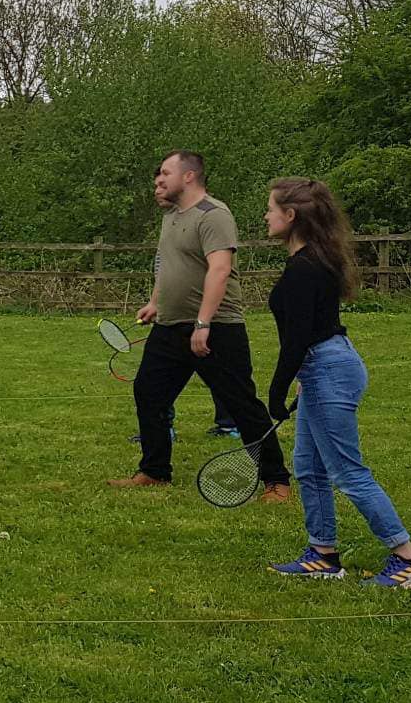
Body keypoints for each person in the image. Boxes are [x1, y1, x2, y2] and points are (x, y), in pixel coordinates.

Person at [263, 178, 411, 588]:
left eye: (271, 209)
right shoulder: (311, 260)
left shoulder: (304, 267)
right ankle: (322, 554)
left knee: (347, 472)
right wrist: (302, 379)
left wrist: (277, 389)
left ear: (291, 215)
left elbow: (298, 337)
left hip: (326, 367)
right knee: (309, 468)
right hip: (322, 366)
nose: (266, 216)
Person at [109, 151, 291, 499]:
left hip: (217, 328)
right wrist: (155, 302)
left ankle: (277, 481)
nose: (159, 180)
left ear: (189, 176)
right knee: (148, 393)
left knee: (241, 405)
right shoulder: (172, 216)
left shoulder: (214, 214)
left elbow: (220, 270)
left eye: (166, 173)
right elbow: (169, 265)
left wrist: (203, 323)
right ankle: (154, 471)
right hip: (169, 327)